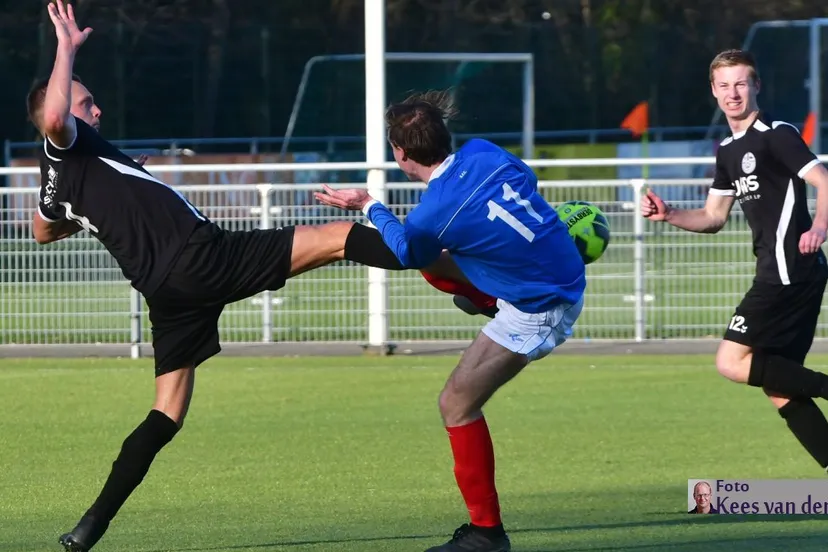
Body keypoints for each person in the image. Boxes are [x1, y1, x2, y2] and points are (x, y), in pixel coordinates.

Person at [32, 3, 484, 551]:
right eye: (85, 101)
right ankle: (479, 290)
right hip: (201, 257)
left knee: (166, 412)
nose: (94, 110)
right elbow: (57, 118)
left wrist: (113, 203)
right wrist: (67, 49)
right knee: (340, 236)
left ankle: (88, 529)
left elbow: (43, 230)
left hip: (165, 292)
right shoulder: (65, 139)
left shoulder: (57, 176)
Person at [315, 90, 587, 552]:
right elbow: (527, 177)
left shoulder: (430, 216)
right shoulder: (484, 151)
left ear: (400, 154)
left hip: (540, 307)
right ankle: (486, 297)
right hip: (558, 276)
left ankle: (486, 534)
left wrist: (367, 205)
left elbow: (405, 250)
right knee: (438, 261)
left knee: (455, 405)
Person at [641, 49, 828, 472]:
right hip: (785, 271)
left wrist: (819, 228)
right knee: (780, 386)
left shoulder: (776, 133)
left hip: (788, 271)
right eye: (724, 85)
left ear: (756, 85)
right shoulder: (727, 150)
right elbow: (712, 217)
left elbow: (823, 179)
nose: (733, 93)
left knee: (730, 362)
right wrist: (668, 213)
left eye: (741, 83)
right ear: (713, 90)